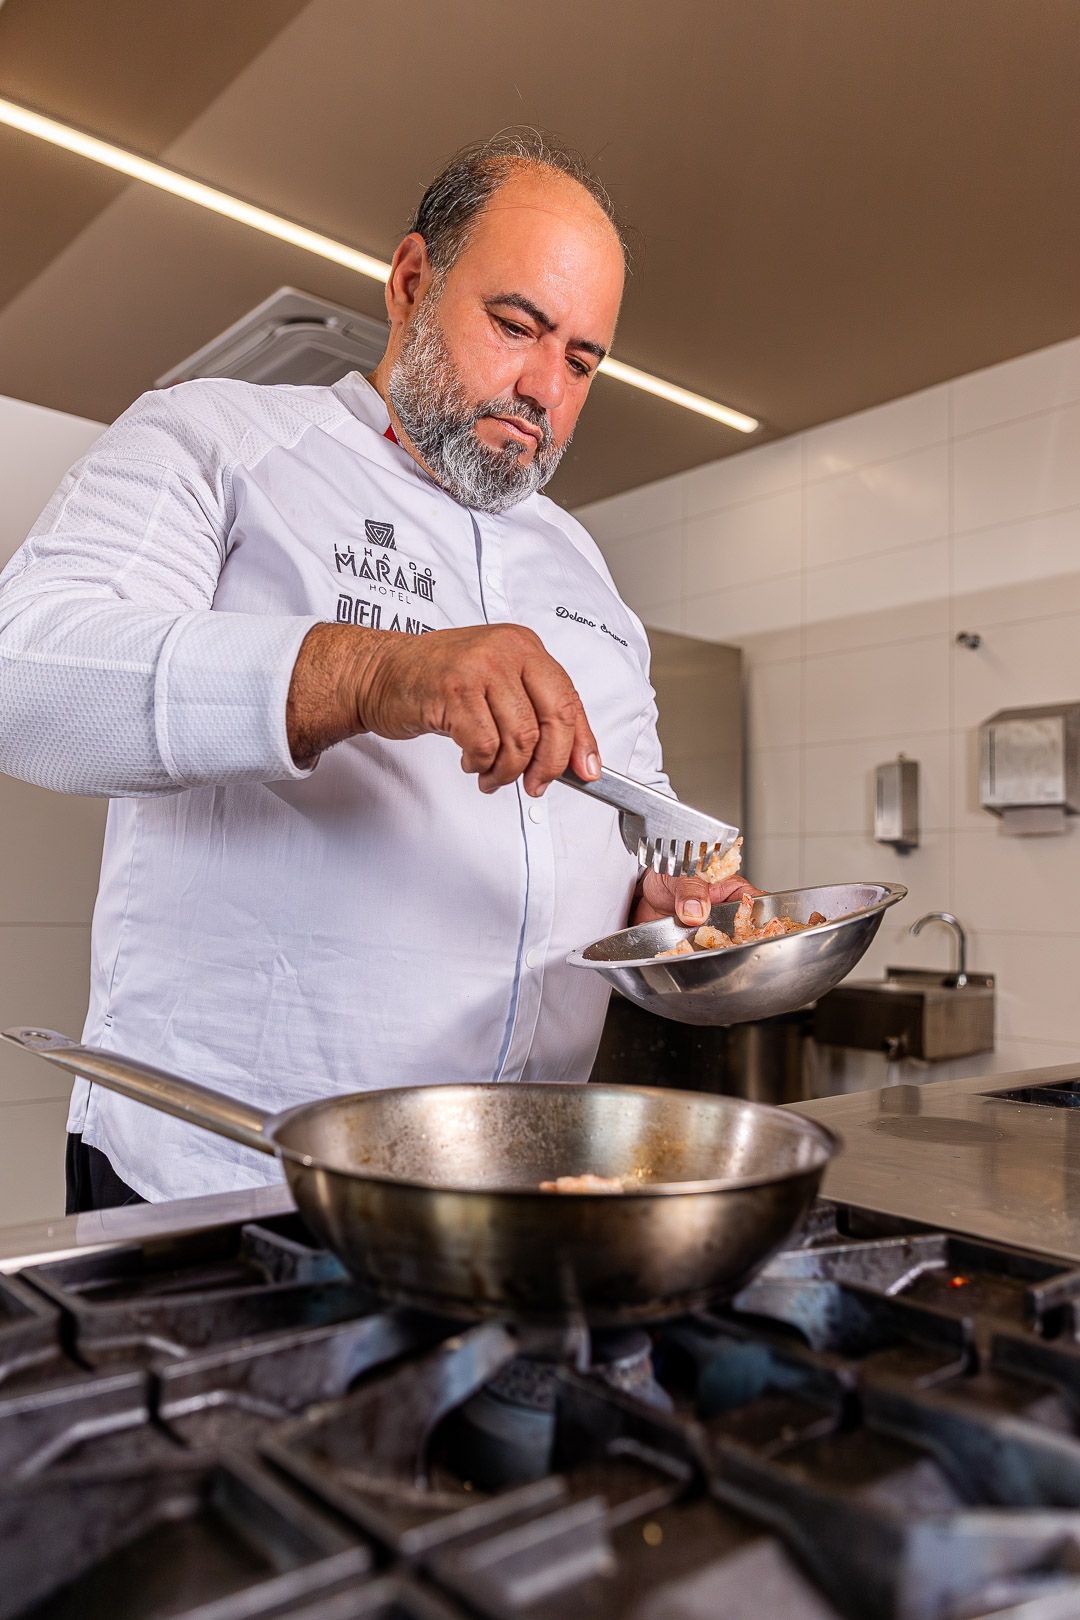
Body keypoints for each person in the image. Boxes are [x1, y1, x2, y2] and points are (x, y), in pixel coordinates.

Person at [0, 132, 751, 1211]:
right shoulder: (216, 440)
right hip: (230, 1184)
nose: (543, 386)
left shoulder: (585, 572)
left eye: (581, 360)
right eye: (516, 326)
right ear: (411, 283)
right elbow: (30, 678)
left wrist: (673, 907)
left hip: (522, 1192)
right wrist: (366, 673)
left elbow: (622, 829)